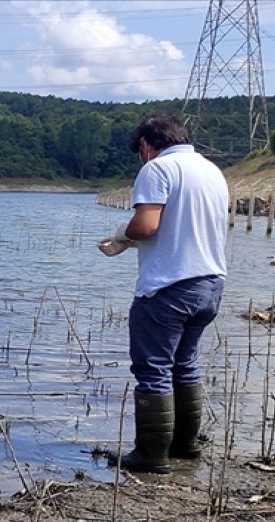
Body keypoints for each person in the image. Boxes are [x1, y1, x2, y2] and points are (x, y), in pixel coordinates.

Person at [98, 114, 229, 475]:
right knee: (184, 365)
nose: (141, 158)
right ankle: (185, 448)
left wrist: (122, 235)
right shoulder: (210, 169)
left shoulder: (157, 169)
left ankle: (151, 457)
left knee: (152, 368)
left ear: (145, 144)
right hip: (211, 283)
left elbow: (147, 225)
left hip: (170, 285)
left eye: (139, 151)